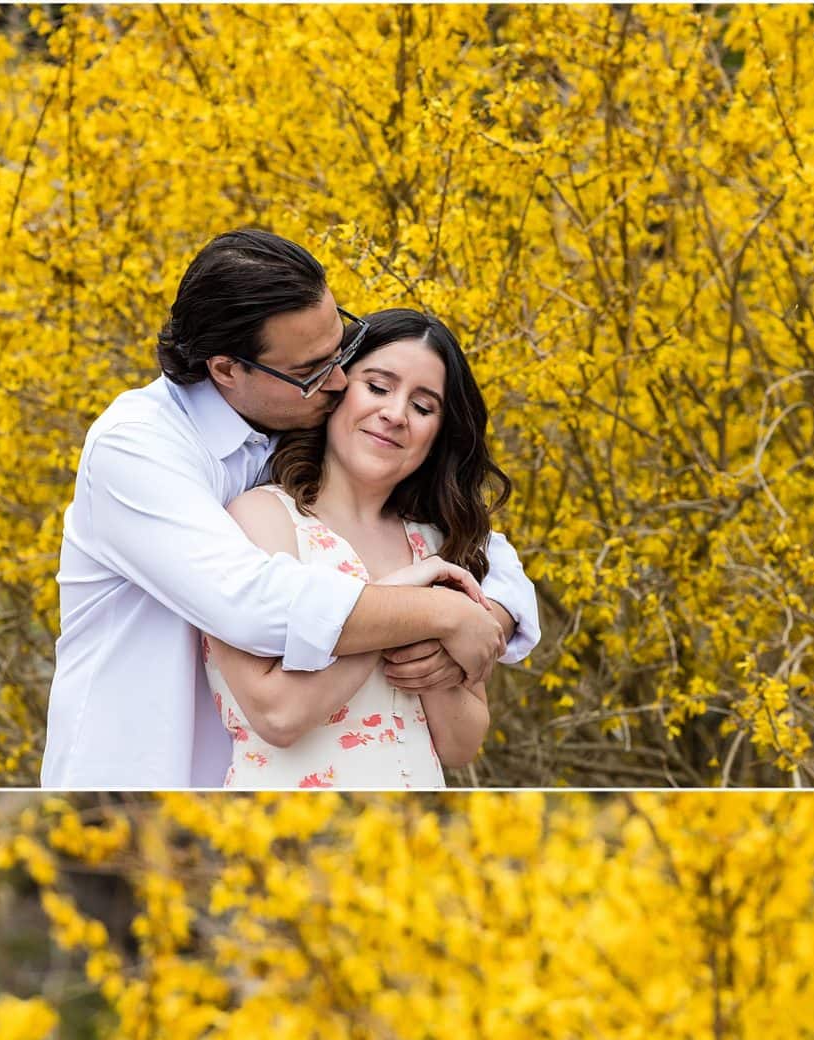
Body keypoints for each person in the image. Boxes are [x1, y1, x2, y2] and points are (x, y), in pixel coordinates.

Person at [40, 232, 539, 789]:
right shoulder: (139, 449)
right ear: (227, 370)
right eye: (313, 369)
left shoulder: (293, 424)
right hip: (139, 776)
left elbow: (489, 559)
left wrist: (486, 614)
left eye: (340, 353)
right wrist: (441, 614)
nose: (340, 381)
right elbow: (255, 603)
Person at [202, 308, 507, 787]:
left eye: (423, 407)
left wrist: (430, 629)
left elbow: (460, 744)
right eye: (378, 387)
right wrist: (414, 608)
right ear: (336, 388)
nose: (395, 414)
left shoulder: (433, 545)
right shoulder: (259, 518)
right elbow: (279, 715)